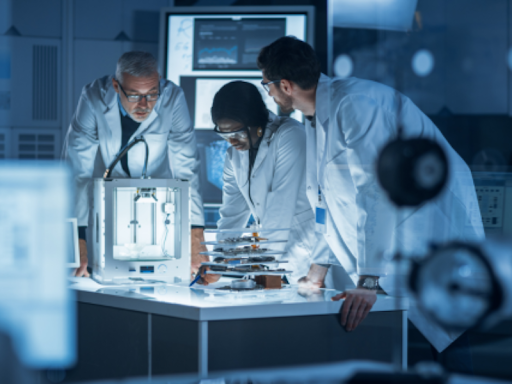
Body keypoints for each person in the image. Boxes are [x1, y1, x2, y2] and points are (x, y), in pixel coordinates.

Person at [257, 36, 484, 373]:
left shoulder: (357, 105)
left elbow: (377, 193)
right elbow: (328, 203)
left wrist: (368, 282)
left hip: (428, 233)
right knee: (414, 348)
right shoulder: (316, 116)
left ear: (285, 85)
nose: (269, 93)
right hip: (395, 246)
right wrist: (317, 269)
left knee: (447, 343)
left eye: (267, 85)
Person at [64, 51, 208, 278]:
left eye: (152, 94)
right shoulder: (93, 97)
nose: (144, 105)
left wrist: (195, 234)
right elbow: (77, 170)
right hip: (105, 205)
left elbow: (186, 167)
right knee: (102, 278)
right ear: (115, 85)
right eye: (133, 95)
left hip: (156, 205)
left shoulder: (172, 98)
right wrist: (77, 237)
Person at [210, 81, 316, 284]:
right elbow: (232, 213)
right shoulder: (234, 156)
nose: (231, 141)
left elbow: (280, 206)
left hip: (308, 254)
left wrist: (262, 264)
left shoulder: (290, 136)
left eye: (237, 133)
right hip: (277, 258)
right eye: (224, 134)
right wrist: (219, 261)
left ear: (257, 122)